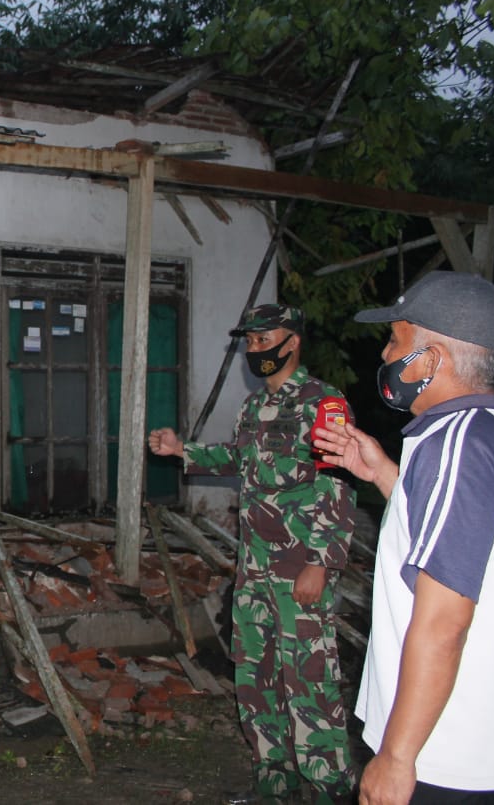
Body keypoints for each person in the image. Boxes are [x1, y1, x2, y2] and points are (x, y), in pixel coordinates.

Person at [148, 303, 357, 803]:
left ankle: (331, 787)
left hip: (298, 571)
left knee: (308, 681)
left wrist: (321, 563)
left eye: (265, 341)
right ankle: (275, 781)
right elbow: (239, 457)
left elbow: (337, 484)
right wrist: (184, 451)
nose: (255, 351)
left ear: (293, 342)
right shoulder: (253, 408)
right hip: (255, 571)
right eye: (251, 343)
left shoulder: (323, 403)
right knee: (257, 679)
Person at [314, 271, 494, 804]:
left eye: (395, 340)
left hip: (440, 753)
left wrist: (397, 757)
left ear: (431, 360)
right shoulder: (483, 435)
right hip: (466, 741)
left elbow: (445, 622)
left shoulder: (457, 447)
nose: (385, 353)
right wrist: (382, 474)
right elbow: (466, 540)